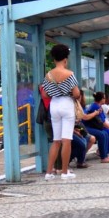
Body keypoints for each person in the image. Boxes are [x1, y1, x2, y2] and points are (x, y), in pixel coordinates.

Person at [40, 43, 78, 180]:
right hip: (66, 104)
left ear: (54, 59)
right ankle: (64, 171)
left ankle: (49, 173)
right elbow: (76, 93)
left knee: (56, 140)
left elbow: (44, 94)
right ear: (65, 59)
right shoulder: (70, 74)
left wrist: (54, 92)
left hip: (54, 105)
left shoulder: (49, 75)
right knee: (66, 140)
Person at [84, 91, 109, 163]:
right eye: (104, 98)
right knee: (104, 134)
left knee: (106, 133)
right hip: (87, 127)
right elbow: (103, 122)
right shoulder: (96, 107)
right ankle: (103, 156)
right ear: (101, 99)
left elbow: (103, 120)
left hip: (94, 126)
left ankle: (105, 155)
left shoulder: (97, 106)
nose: (105, 99)